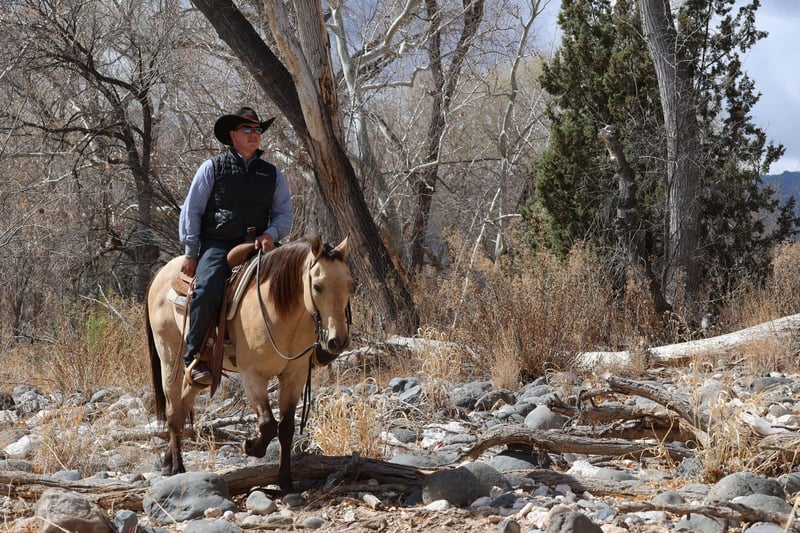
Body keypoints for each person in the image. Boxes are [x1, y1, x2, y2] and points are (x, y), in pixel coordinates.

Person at [178, 107, 294, 386]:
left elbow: (284, 214)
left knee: (297, 280)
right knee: (206, 288)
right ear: (233, 135)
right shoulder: (212, 168)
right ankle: (196, 357)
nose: (254, 135)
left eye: (258, 130)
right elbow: (192, 210)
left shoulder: (272, 174)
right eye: (247, 129)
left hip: (259, 244)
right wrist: (191, 252)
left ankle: (303, 347)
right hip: (219, 244)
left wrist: (271, 233)